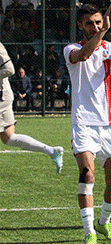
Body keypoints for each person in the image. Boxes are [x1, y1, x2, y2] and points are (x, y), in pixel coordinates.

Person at [65, 0, 111, 244]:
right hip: (84, 124)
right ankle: (88, 231)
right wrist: (104, 30)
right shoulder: (71, 49)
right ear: (80, 25)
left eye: (97, 22)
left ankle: (104, 222)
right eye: (90, 23)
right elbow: (83, 55)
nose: (94, 27)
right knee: (87, 174)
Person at [0, 41, 64, 172]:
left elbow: (10, 70)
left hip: (1, 96)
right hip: (4, 95)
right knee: (9, 137)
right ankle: (52, 151)